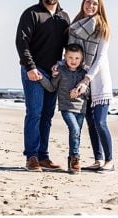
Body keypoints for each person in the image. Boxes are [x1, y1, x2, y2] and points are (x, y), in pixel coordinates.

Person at [15, 0, 71, 171]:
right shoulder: (31, 13)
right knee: (34, 113)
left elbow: (68, 47)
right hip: (34, 71)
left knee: (47, 115)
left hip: (53, 73)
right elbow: (21, 42)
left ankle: (43, 156)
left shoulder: (64, 18)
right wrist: (30, 67)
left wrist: (63, 66)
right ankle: (31, 157)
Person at [68, 0, 115, 173]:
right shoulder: (75, 26)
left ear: (99, 7)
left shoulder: (103, 28)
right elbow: (71, 53)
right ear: (83, 4)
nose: (91, 6)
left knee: (100, 122)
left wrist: (87, 80)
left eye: (95, 3)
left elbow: (100, 58)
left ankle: (110, 161)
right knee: (91, 123)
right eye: (88, 2)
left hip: (98, 81)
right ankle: (98, 159)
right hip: (82, 80)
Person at [41, 44, 90, 174]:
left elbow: (88, 92)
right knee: (74, 129)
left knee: (76, 134)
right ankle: (76, 157)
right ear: (65, 57)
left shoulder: (84, 74)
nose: (73, 61)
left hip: (81, 109)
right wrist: (41, 78)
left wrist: (79, 91)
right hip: (66, 108)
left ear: (81, 58)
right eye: (70, 57)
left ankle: (71, 161)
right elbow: (51, 87)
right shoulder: (60, 71)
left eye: (77, 58)